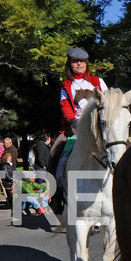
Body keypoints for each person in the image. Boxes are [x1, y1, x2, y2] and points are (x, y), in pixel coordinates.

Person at [48, 47, 110, 213]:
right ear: (70, 64)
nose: (80, 64)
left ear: (86, 63)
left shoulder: (98, 82)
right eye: (76, 61)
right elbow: (65, 106)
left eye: (82, 61)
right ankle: (56, 194)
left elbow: (107, 101)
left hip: (97, 126)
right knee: (55, 151)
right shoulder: (66, 85)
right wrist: (73, 121)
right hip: (74, 129)